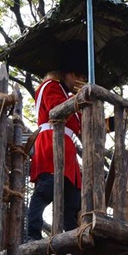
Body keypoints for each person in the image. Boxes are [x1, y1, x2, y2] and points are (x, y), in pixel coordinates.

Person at [26, 41, 88, 241]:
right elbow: (55, 108)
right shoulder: (49, 86)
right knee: (46, 189)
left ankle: (71, 237)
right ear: (68, 74)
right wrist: (81, 97)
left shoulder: (69, 95)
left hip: (68, 150)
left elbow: (81, 126)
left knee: (73, 199)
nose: (80, 80)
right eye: (78, 76)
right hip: (51, 142)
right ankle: (32, 234)